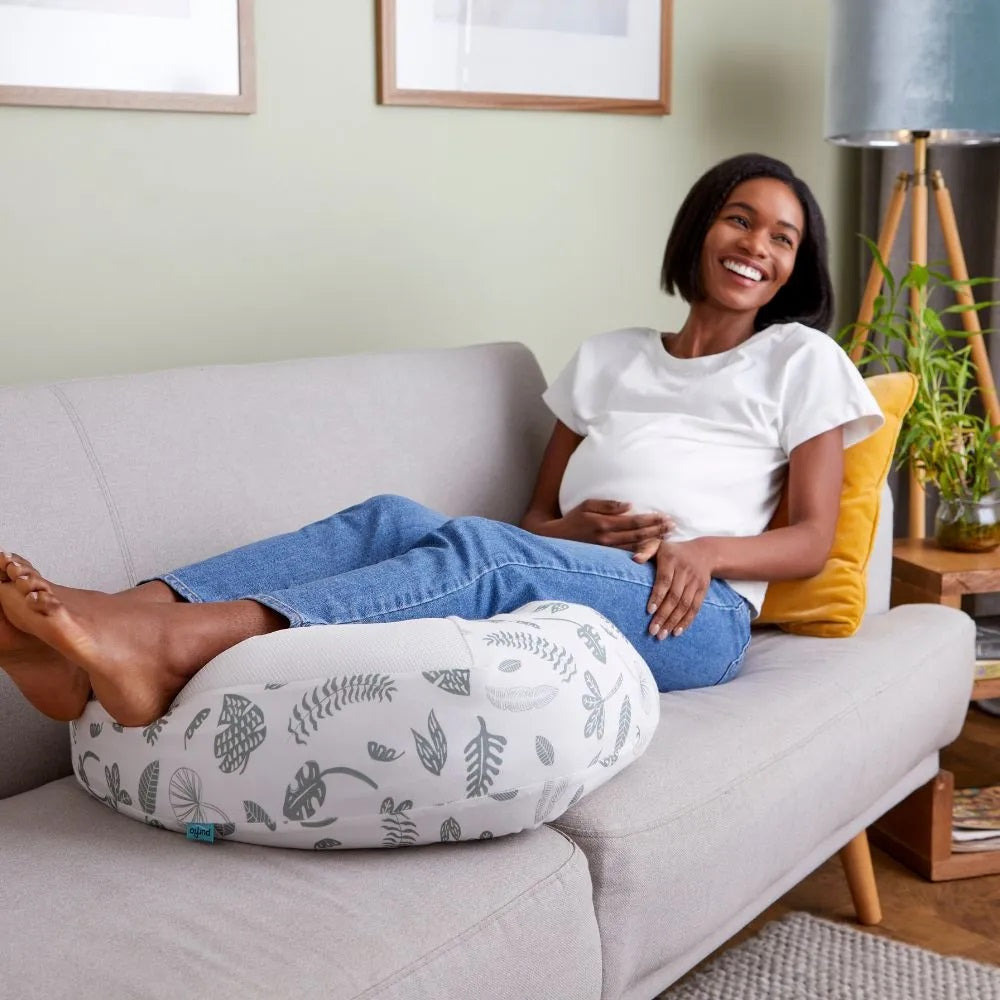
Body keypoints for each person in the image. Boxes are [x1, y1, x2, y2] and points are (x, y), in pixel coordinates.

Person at [0, 152, 883, 729]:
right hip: (576, 572)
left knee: (483, 550)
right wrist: (567, 533)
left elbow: (811, 539)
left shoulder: (800, 359)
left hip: (689, 614)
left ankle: (171, 645)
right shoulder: (609, 358)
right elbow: (538, 516)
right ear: (699, 229)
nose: (756, 246)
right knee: (391, 515)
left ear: (795, 267)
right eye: (740, 219)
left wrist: (708, 553)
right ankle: (109, 624)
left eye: (783, 237)